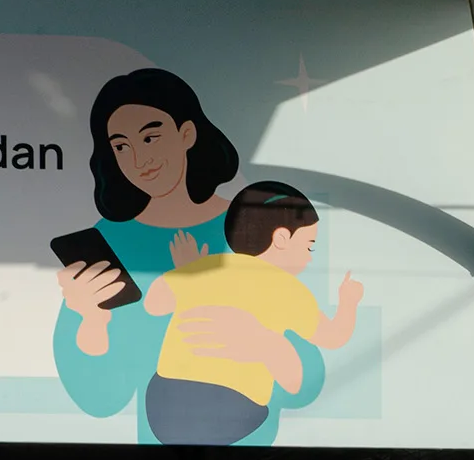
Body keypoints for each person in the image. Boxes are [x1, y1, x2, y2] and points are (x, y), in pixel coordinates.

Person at [53, 67, 327, 442]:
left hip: (257, 449)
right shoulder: (108, 243)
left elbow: (311, 380)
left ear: (186, 133)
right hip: (158, 449)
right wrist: (91, 320)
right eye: (121, 146)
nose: (138, 159)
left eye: (151, 137)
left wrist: (266, 345)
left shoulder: (252, 224)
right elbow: (99, 399)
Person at [143, 181, 363, 445]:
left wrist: (185, 274)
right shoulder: (288, 289)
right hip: (232, 408)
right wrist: (349, 302)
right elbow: (332, 337)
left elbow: (153, 304)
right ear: (281, 238)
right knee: (281, 359)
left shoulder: (206, 266)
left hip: (163, 402)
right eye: (308, 246)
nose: (309, 258)